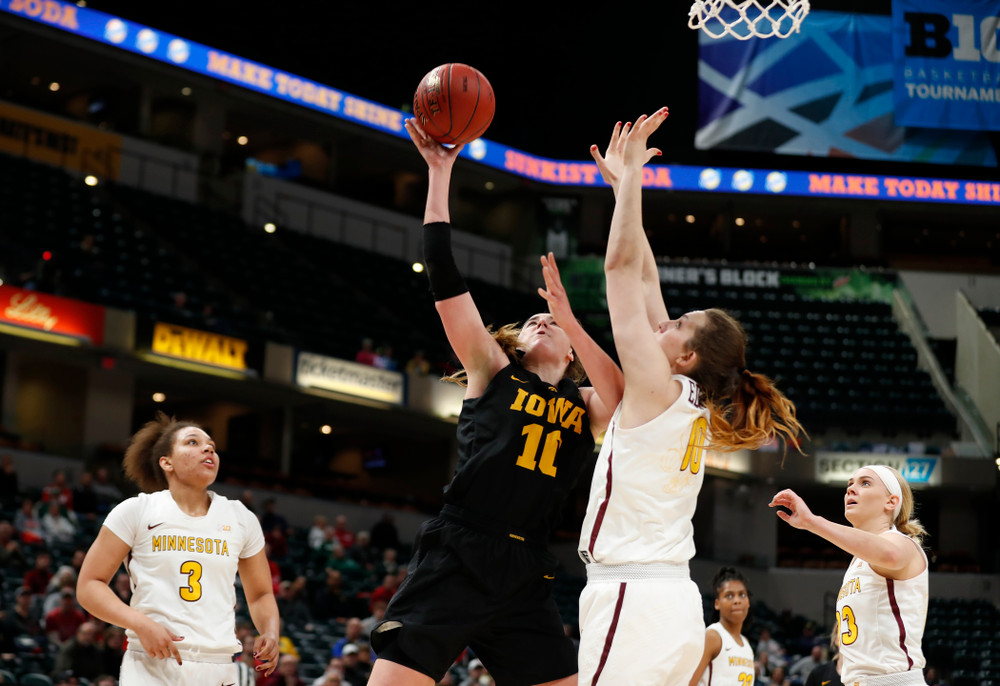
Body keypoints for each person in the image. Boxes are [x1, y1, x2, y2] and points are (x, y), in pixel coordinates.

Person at [367, 118, 626, 686]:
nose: (540, 320)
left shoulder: (589, 403)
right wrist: (440, 172)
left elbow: (626, 393)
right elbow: (443, 279)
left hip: (526, 564)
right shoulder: (493, 370)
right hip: (460, 547)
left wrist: (573, 318)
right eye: (533, 319)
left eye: (549, 321)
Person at [577, 110, 804, 685]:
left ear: (686, 358)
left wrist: (631, 178)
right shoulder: (685, 393)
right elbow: (648, 280)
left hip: (632, 592)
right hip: (671, 597)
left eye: (678, 323)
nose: (666, 320)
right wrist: (624, 188)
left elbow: (623, 270)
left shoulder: (659, 386)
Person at [76, 412, 281, 684]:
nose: (208, 448)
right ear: (166, 462)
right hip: (154, 661)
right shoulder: (136, 511)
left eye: (212, 446)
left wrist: (270, 631)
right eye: (193, 442)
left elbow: (261, 594)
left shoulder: (240, 517)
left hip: (219, 665)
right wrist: (139, 623)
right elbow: (90, 585)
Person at [769, 464, 928, 686]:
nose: (851, 489)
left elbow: (890, 555)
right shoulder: (857, 560)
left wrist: (812, 522)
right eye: (849, 484)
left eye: (865, 483)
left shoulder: (903, 543)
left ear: (891, 502)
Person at [688, 567, 755, 686]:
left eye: (742, 595)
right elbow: (689, 683)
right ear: (717, 603)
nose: (737, 600)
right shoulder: (713, 636)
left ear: (748, 602)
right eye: (729, 595)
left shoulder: (747, 645)